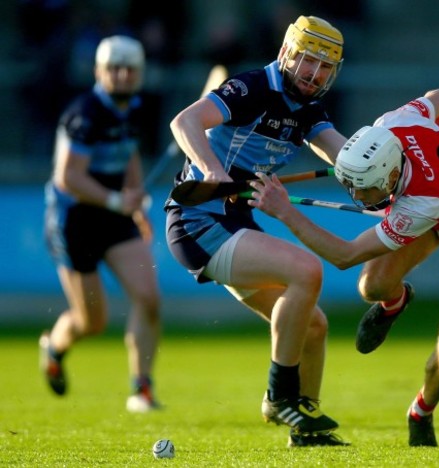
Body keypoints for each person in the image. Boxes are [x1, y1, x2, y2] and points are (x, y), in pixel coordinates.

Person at [249, 89, 439, 447]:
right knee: (372, 288)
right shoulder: (394, 123)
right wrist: (437, 142)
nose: (358, 199)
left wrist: (285, 212)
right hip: (433, 197)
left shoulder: (420, 204)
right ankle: (395, 302)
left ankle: (421, 410)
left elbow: (345, 256)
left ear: (392, 174)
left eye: (366, 190)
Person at [165, 16, 349, 447]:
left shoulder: (309, 109)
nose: (314, 74)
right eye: (307, 61)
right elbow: (184, 122)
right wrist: (210, 168)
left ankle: (305, 423)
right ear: (286, 53)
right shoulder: (253, 88)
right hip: (198, 221)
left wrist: (376, 167)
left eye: (324, 67)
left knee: (313, 326)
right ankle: (279, 396)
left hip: (236, 222)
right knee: (306, 270)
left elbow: (344, 153)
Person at [41, 35, 162, 413]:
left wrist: (135, 201)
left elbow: (129, 154)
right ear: (98, 72)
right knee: (92, 321)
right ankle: (54, 346)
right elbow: (68, 177)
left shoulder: (135, 109)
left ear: (140, 73)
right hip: (74, 221)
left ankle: (141, 387)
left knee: (149, 299)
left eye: (130, 69)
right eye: (114, 68)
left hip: (115, 217)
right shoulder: (84, 114)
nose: (123, 75)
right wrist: (115, 199)